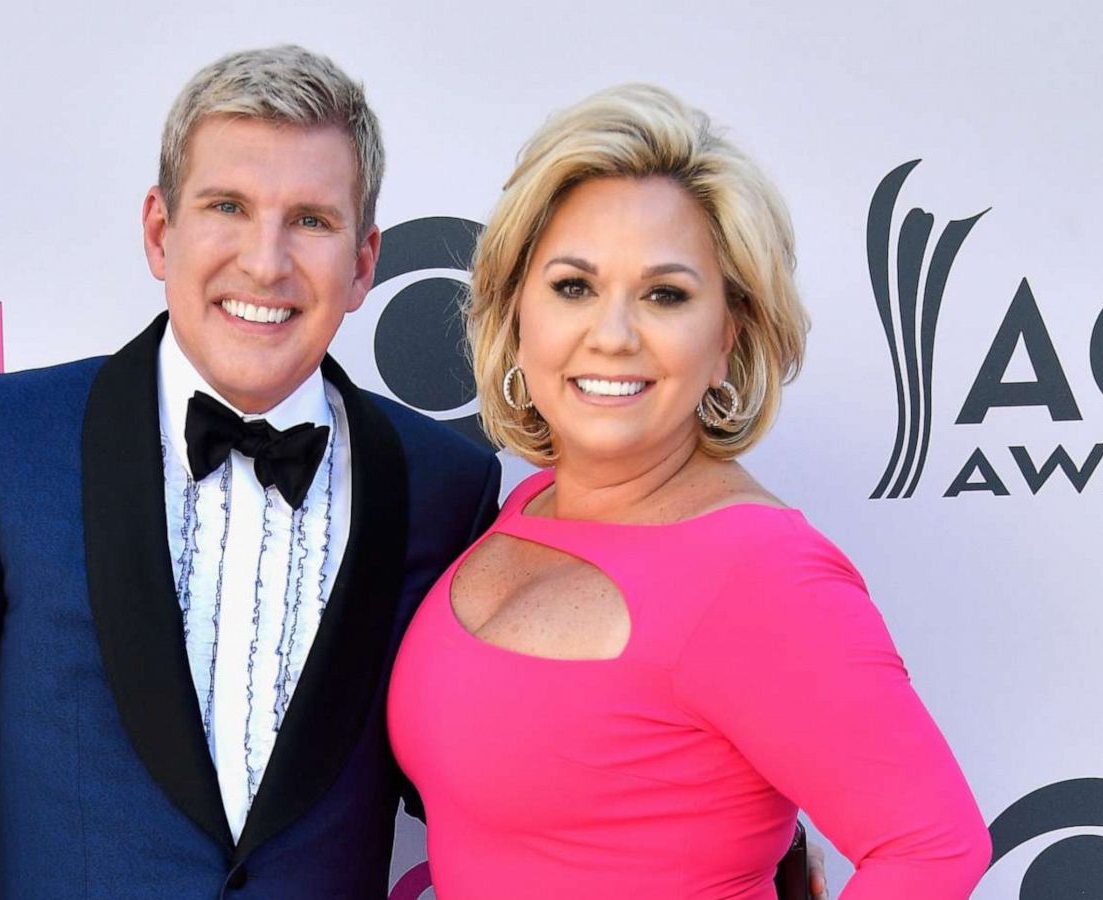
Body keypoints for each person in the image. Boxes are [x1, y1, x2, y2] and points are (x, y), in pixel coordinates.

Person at [0, 46, 501, 898]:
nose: (266, 262)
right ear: (160, 231)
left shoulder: (447, 483)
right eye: (228, 206)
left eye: (310, 220)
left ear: (365, 261)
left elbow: (480, 789)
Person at [386, 84, 991, 898]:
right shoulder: (529, 505)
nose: (613, 334)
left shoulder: (762, 573)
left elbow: (933, 848)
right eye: (574, 286)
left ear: (726, 337)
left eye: (665, 295)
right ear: (516, 310)